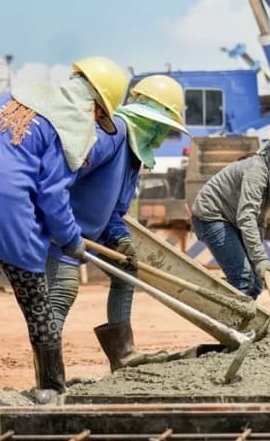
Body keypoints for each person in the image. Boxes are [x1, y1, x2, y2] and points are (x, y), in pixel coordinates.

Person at [0, 57, 129, 419]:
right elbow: (53, 196)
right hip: (8, 212)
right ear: (93, 105)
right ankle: (51, 391)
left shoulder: (10, 99)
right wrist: (72, 240)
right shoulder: (59, 128)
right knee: (37, 306)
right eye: (96, 117)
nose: (93, 124)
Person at [45, 74, 189, 371]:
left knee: (126, 270)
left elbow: (113, 211)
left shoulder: (136, 157)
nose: (163, 138)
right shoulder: (114, 134)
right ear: (152, 120)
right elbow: (64, 175)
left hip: (90, 235)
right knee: (63, 292)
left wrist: (120, 238)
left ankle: (123, 355)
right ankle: (48, 375)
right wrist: (63, 229)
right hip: (60, 232)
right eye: (163, 128)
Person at [191, 118, 270, 298]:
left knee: (255, 285)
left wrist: (257, 259)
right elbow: (247, 216)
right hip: (212, 215)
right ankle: (229, 324)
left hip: (233, 218)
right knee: (243, 279)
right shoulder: (257, 171)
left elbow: (259, 218)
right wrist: (260, 258)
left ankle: (242, 322)